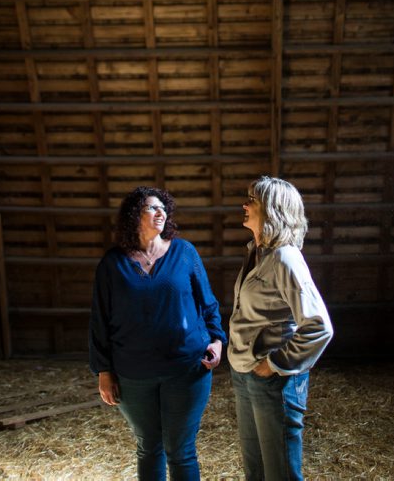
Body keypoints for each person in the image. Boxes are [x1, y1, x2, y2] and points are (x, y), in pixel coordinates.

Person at [89, 185, 226, 481]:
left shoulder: (184, 252)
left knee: (181, 450)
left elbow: (208, 302)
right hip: (133, 374)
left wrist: (217, 340)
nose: (160, 212)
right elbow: (100, 320)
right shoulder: (112, 263)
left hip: (186, 369)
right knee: (149, 448)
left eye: (163, 207)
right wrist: (103, 371)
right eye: (152, 207)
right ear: (133, 215)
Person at [228, 175, 333, 481]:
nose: (244, 205)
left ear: (272, 210)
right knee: (257, 470)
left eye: (253, 200)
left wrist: (275, 363)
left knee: (280, 473)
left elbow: (318, 327)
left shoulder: (286, 258)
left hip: (273, 380)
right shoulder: (257, 253)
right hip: (246, 372)